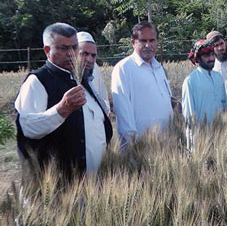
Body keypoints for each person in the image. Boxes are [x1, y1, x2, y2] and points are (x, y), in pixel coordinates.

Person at [15, 23, 112, 181]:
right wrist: (62, 109)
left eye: (74, 48)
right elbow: (28, 127)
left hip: (91, 183)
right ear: (47, 50)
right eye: (63, 48)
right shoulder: (38, 81)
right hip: (58, 183)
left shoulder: (79, 78)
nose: (70, 54)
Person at [111, 21, 173, 146]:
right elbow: (123, 112)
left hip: (166, 144)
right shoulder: (124, 68)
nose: (148, 45)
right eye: (143, 41)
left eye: (152, 40)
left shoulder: (159, 68)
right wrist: (133, 145)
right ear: (133, 43)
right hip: (140, 146)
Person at [182, 40, 227, 125]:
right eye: (207, 56)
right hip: (201, 133)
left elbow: (224, 105)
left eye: (213, 54)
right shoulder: (190, 81)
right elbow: (188, 114)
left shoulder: (218, 77)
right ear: (198, 58)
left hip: (221, 132)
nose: (211, 58)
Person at [77, 31, 110, 115]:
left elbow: (104, 102)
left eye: (93, 55)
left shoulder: (94, 69)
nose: (89, 59)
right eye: (84, 54)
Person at [206, 31, 227, 104]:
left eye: (222, 43)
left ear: (225, 42)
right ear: (211, 48)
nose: (220, 48)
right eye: (216, 45)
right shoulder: (209, 66)